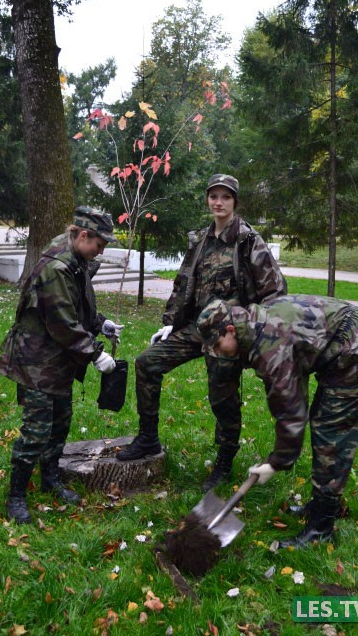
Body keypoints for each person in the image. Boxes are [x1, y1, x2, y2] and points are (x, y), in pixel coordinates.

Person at [116, 174, 286, 491]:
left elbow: (275, 292)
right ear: (208, 199)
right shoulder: (202, 239)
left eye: (225, 197)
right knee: (147, 362)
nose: (218, 202)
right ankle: (148, 438)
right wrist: (170, 321)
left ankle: (224, 461)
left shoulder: (248, 240)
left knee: (223, 398)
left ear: (235, 201)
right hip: (196, 327)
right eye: (214, 196)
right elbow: (183, 283)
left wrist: (253, 332)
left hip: (229, 334)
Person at [196, 295, 358, 547]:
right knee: (323, 422)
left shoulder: (270, 347)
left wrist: (276, 462)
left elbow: (291, 412)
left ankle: (322, 528)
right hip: (342, 343)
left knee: (331, 434)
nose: (216, 352)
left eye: (216, 344)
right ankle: (322, 506)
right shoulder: (252, 325)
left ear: (230, 330)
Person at [0, 207, 124, 524]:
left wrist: (101, 322)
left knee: (60, 423)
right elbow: (63, 323)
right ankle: (16, 497)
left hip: (57, 360)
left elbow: (77, 304)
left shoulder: (76, 261)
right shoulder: (56, 267)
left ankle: (50, 478)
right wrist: (96, 354)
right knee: (35, 432)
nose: (101, 251)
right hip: (36, 360)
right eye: (99, 244)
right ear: (83, 235)